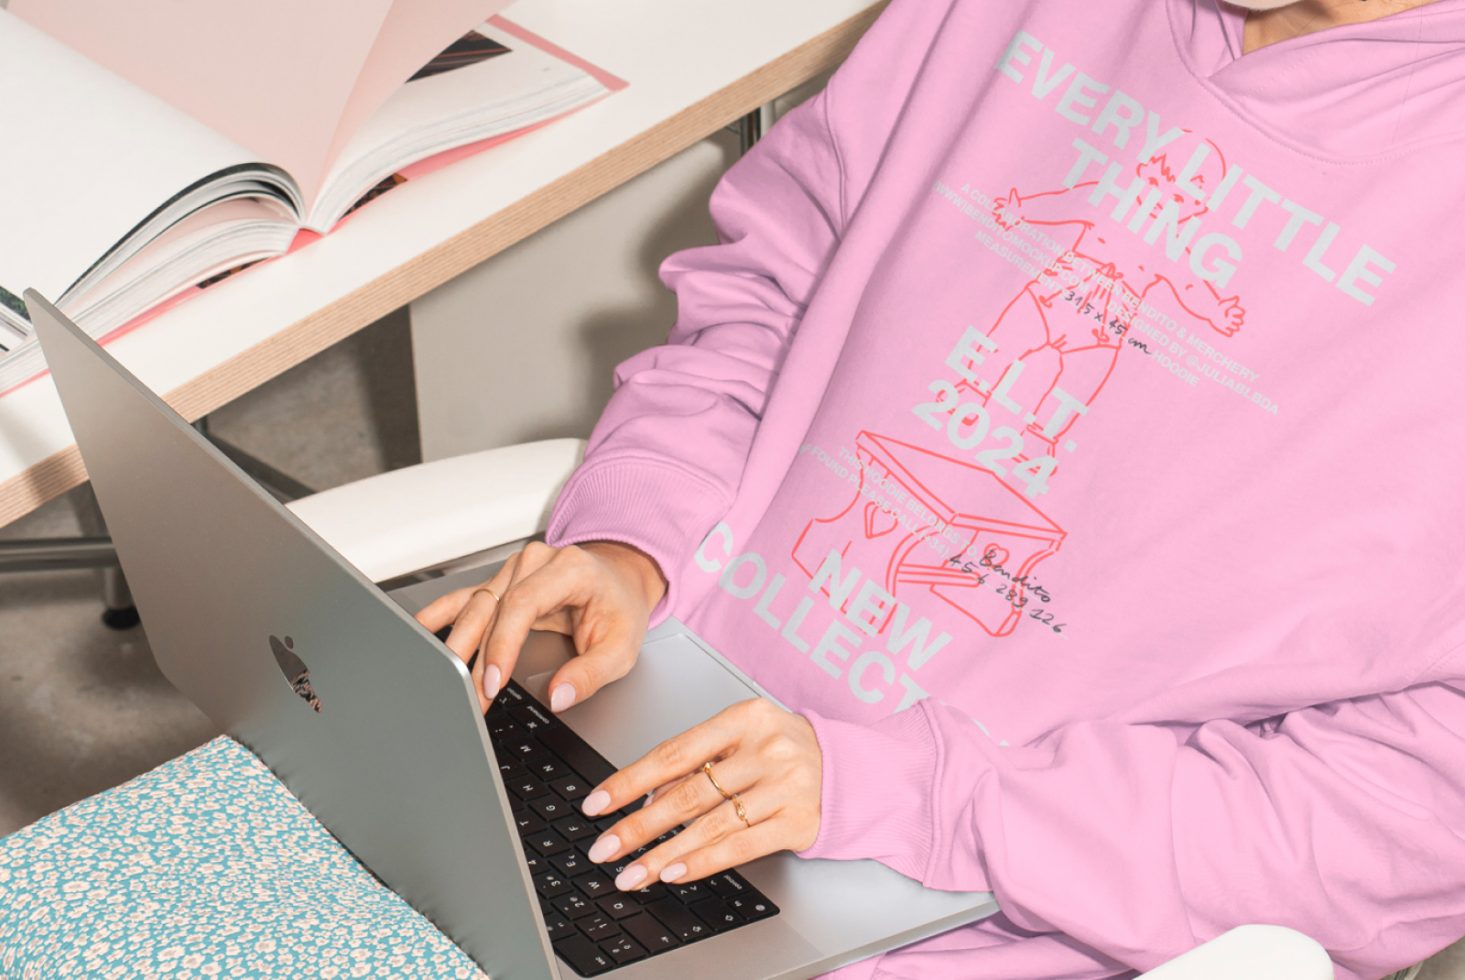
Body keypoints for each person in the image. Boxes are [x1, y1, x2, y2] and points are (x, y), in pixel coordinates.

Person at [416, 0, 1465, 975]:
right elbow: (772, 288)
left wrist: (929, 798)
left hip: (959, 919)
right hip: (634, 709)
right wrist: (634, 542)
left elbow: (1403, 824)